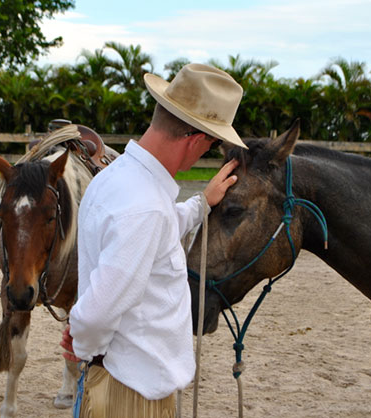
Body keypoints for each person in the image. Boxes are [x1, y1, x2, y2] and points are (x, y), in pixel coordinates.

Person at [60, 63, 247, 418]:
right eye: (211, 144)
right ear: (195, 139)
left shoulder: (118, 179)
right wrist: (83, 340)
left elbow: (144, 240)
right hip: (131, 396)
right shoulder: (145, 207)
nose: (205, 153)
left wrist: (200, 204)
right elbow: (99, 312)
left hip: (118, 381)